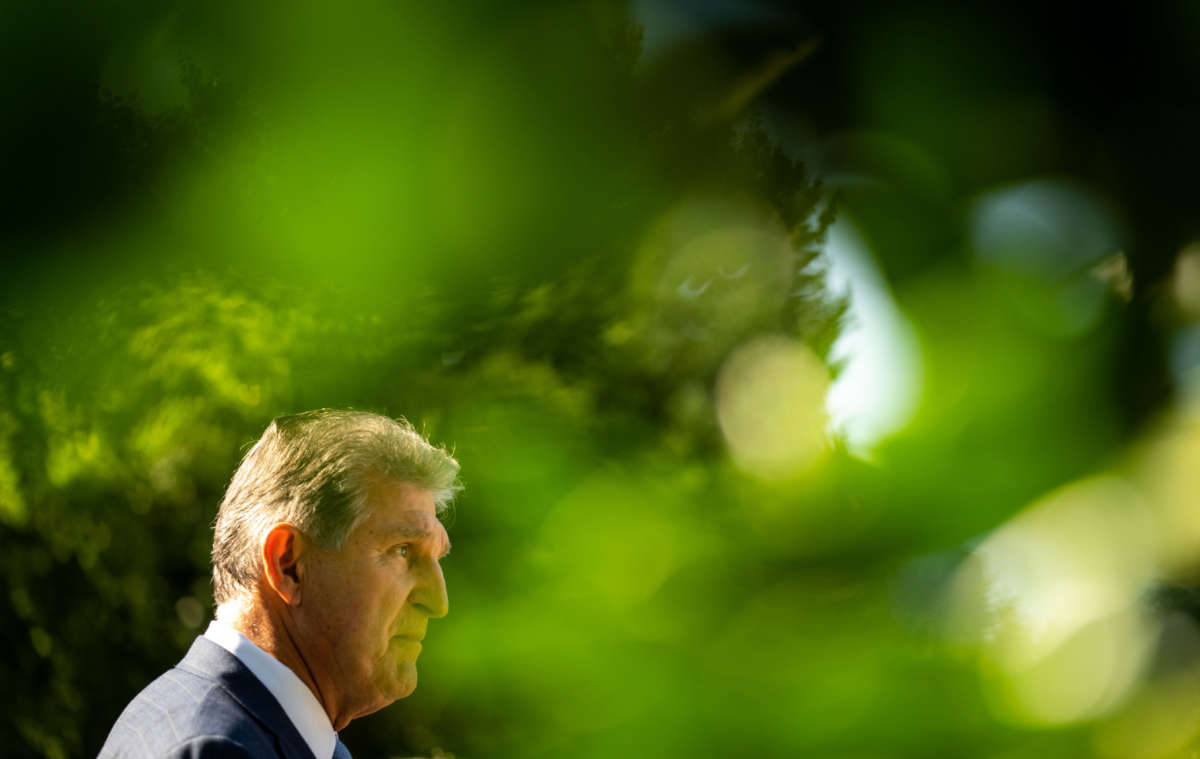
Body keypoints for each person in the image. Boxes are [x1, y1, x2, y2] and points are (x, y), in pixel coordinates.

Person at [99, 409, 459, 759]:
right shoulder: (217, 749)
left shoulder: (272, 735)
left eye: (436, 558)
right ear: (289, 565)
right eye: (402, 550)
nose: (438, 602)